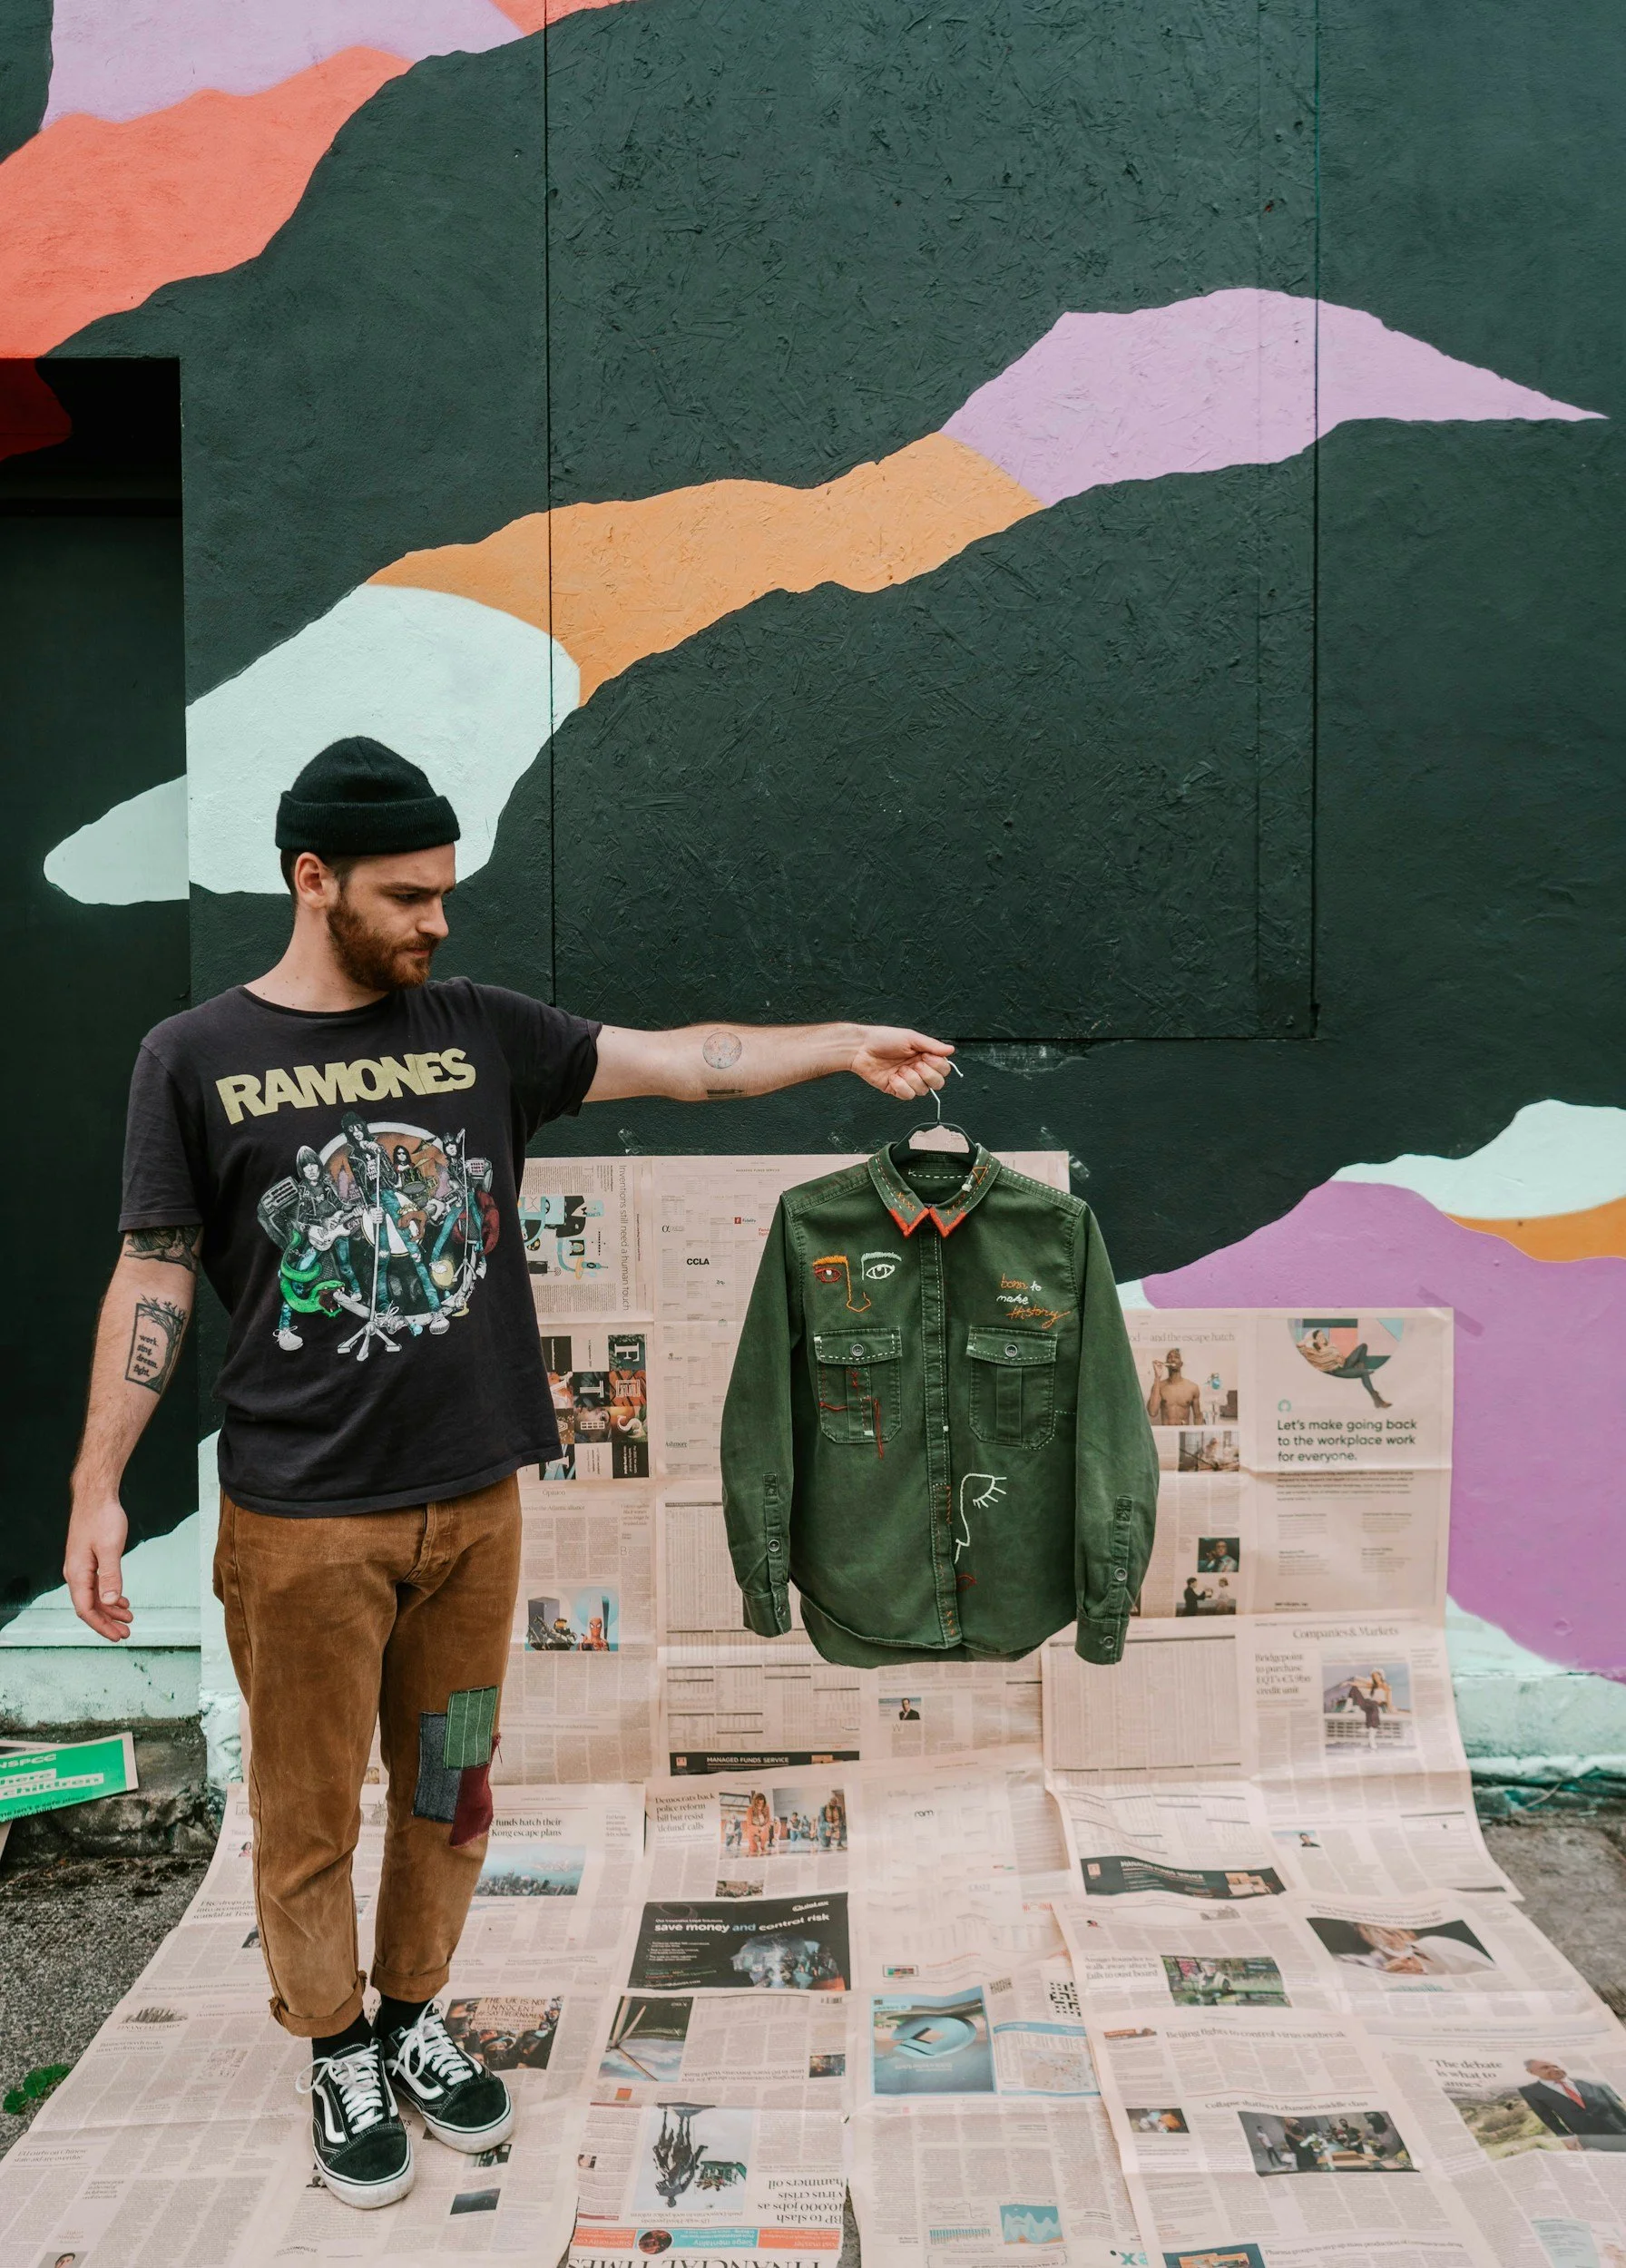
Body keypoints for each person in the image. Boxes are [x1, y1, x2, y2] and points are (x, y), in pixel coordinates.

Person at [63, 738, 953, 2214]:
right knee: (301, 1814)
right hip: (301, 1526)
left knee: (450, 1790)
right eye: (409, 896)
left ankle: (410, 2019)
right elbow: (153, 1273)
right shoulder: (195, 1057)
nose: (438, 923)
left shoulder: (478, 1029)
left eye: (444, 894)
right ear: (313, 880)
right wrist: (102, 1485)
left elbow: (686, 1061)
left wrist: (836, 1040)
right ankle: (334, 2041)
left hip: (475, 1505)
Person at [1518, 2058, 1626, 2146]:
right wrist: (1566, 2137)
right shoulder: (1532, 2091)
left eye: (1555, 2066)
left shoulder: (1587, 2083)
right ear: (1531, 2072)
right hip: (1588, 2138)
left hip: (1619, 2130)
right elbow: (1548, 2117)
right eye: (1545, 2068)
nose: (1554, 2069)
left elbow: (1614, 2107)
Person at [1338, 1921, 1494, 1978]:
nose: (1385, 1936)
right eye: (1368, 1929)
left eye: (1394, 1933)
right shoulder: (1367, 1962)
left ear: (1410, 1934)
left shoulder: (1432, 1945)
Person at [1146, 1348, 1204, 1425]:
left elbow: (1198, 1417)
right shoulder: (1159, 1386)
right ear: (1166, 1364)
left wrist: (1199, 1436)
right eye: (1169, 1357)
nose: (1173, 1359)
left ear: (1181, 1363)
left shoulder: (1192, 1388)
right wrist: (1157, 1377)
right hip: (1167, 1433)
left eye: (1176, 1357)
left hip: (1184, 1433)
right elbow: (1152, 1412)